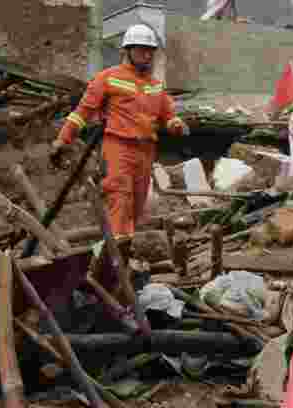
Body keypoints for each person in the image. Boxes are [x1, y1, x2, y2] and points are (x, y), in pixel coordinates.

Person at [50, 24, 189, 243]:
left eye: (150, 50)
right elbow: (82, 113)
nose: (147, 54)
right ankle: (118, 257)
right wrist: (62, 139)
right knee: (120, 198)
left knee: (137, 205)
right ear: (127, 50)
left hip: (146, 151)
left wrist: (175, 124)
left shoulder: (155, 86)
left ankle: (127, 252)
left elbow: (168, 114)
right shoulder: (108, 78)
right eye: (142, 49)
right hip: (118, 148)